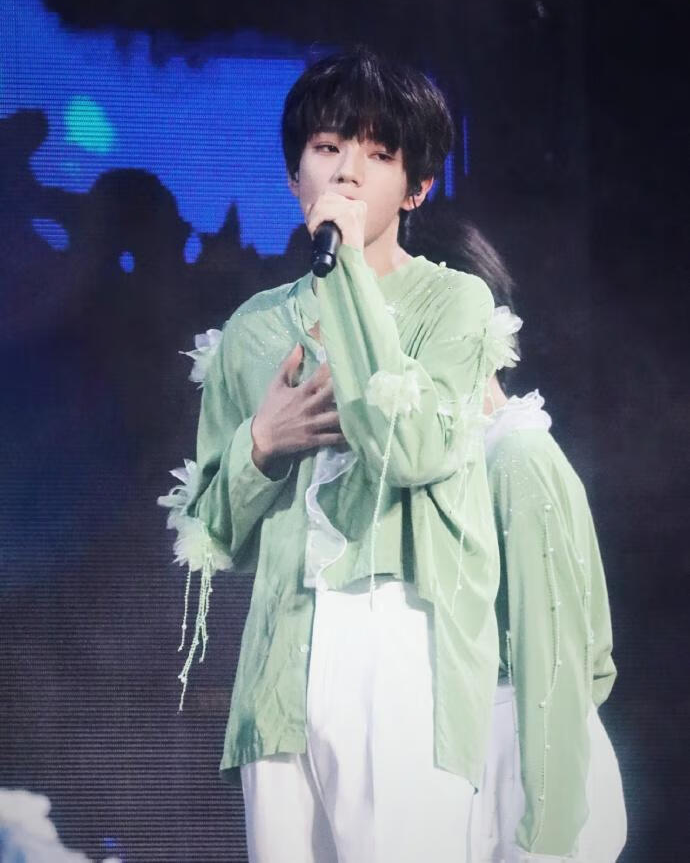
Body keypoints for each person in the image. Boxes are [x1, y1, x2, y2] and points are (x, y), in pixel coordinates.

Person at [158, 48, 512, 863]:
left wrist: (348, 270)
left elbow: (412, 447)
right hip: (281, 649)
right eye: (327, 147)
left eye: (379, 154)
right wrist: (263, 443)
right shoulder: (254, 328)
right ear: (295, 175)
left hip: (404, 637)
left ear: (417, 188)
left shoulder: (453, 304)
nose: (348, 170)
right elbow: (209, 531)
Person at [408, 207, 627, 862]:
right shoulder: (460, 458)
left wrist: (547, 838)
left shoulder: (516, 460)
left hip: (525, 778)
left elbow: (555, 676)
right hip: (483, 761)